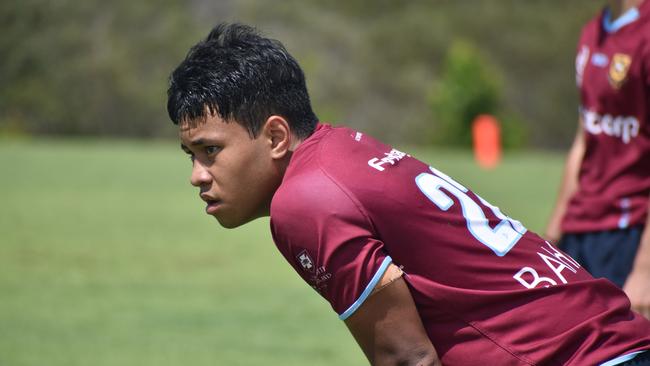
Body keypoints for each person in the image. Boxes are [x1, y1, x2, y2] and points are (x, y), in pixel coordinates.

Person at [167, 23, 650, 366]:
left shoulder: (304, 201)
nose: (198, 175)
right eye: (190, 154)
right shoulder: (341, 151)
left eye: (210, 150)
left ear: (274, 136)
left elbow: (407, 358)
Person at [545, 0, 650, 320]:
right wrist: (554, 231)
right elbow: (584, 137)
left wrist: (645, 269)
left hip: (626, 231)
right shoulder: (593, 31)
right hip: (578, 230)